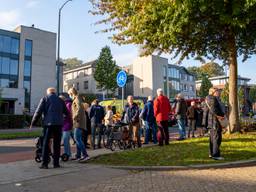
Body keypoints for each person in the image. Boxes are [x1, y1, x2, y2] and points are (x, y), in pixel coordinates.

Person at [30, 87, 68, 169]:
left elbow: (38, 111)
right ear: (54, 92)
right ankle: (56, 164)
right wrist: (63, 119)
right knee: (57, 144)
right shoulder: (61, 100)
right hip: (58, 124)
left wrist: (33, 122)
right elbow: (66, 112)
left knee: (46, 144)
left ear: (48, 92)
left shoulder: (45, 98)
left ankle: (45, 164)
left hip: (48, 125)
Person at [68, 87, 90, 162]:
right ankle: (78, 155)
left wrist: (75, 117)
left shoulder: (77, 99)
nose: (69, 96)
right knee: (78, 139)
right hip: (78, 122)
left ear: (71, 93)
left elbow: (79, 109)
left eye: (69, 94)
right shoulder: (77, 99)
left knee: (77, 138)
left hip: (78, 122)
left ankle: (85, 155)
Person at [203, 87, 225, 160]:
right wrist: (222, 115)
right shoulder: (213, 99)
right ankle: (216, 155)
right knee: (217, 138)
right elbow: (215, 111)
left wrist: (204, 123)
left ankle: (211, 153)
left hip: (211, 122)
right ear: (213, 92)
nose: (219, 93)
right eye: (218, 91)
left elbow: (205, 112)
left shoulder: (207, 99)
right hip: (215, 121)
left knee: (212, 139)